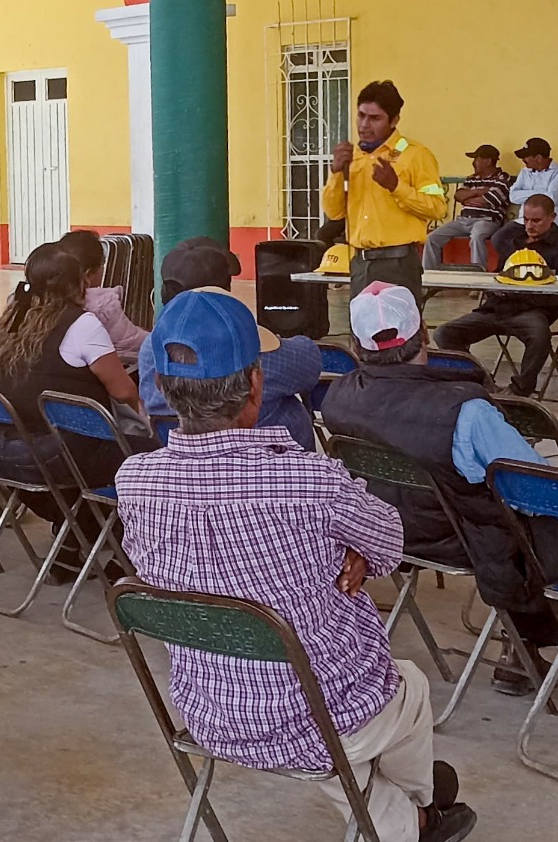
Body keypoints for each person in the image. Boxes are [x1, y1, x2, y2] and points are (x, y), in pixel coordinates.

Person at [117, 288, 476, 842]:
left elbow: (156, 568)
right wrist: (351, 549)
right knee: (408, 686)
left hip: (207, 714)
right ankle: (418, 815)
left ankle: (404, 813)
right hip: (318, 720)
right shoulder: (308, 480)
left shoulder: (135, 482)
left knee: (325, 705)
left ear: (162, 388)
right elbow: (389, 541)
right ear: (256, 386)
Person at [324, 282, 558, 728]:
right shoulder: (465, 410)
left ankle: (520, 654)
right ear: (425, 335)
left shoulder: (338, 396)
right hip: (474, 545)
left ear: (357, 348)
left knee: (514, 526)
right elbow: (541, 492)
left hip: (399, 537)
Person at [0, 244, 149, 582]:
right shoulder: (82, 325)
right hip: (60, 454)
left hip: (1, 451)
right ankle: (126, 560)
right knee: (151, 459)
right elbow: (124, 391)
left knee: (93, 466)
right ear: (79, 283)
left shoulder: (10, 319)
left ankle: (71, 549)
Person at [140, 237, 322, 450]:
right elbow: (310, 364)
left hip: (178, 458)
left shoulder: (149, 349)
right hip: (277, 468)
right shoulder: (252, 352)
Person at [435, 195, 558, 397]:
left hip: (532, 312)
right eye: (526, 219)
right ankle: (481, 381)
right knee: (445, 334)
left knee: (539, 336)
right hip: (497, 308)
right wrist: (495, 290)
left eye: (536, 220)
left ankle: (520, 390)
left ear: (552, 217)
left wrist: (531, 295)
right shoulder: (513, 241)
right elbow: (500, 274)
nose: (529, 225)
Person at [321, 80, 448, 302]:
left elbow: (437, 209)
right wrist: (335, 172)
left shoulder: (416, 155)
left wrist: (396, 187)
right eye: (361, 115)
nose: (364, 125)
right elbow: (335, 213)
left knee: (400, 334)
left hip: (398, 263)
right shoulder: (353, 156)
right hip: (360, 261)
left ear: (394, 120)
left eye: (375, 118)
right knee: (362, 334)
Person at [56, 228, 148, 359]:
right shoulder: (102, 305)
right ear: (89, 274)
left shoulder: (43, 301)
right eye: (102, 264)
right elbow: (131, 340)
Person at [422, 145, 512, 271]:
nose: (473, 163)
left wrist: (469, 197)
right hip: (463, 220)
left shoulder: (502, 178)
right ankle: (429, 275)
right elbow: (458, 196)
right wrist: (479, 192)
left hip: (486, 220)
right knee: (432, 237)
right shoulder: (472, 179)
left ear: (488, 161)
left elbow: (492, 199)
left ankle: (478, 277)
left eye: (476, 159)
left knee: (476, 236)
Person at [506, 137, 558, 232]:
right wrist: (543, 193)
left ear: (538, 158)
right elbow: (513, 196)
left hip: (550, 222)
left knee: (536, 241)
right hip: (523, 221)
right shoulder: (525, 172)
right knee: (499, 237)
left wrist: (524, 193)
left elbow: (552, 198)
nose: (523, 160)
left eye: (526, 156)